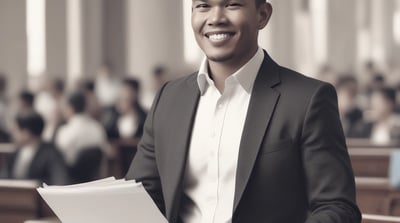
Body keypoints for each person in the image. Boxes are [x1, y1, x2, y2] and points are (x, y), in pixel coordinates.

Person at [126, 0, 361, 222]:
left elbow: (337, 207)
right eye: (203, 6)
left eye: (232, 4)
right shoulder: (169, 98)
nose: (216, 17)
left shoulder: (307, 99)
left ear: (262, 15)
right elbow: (141, 196)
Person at [0, 111, 68, 185]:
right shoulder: (15, 152)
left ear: (26, 133)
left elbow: (59, 180)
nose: (12, 134)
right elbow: (4, 177)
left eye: (16, 130)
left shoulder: (51, 153)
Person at [103, 78, 147, 176]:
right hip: (117, 164)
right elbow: (107, 135)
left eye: (128, 91)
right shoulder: (113, 114)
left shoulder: (144, 116)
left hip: (137, 160)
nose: (124, 94)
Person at [55, 91, 106, 166]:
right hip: (95, 176)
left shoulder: (65, 132)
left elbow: (58, 159)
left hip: (71, 176)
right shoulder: (97, 127)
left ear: (70, 108)